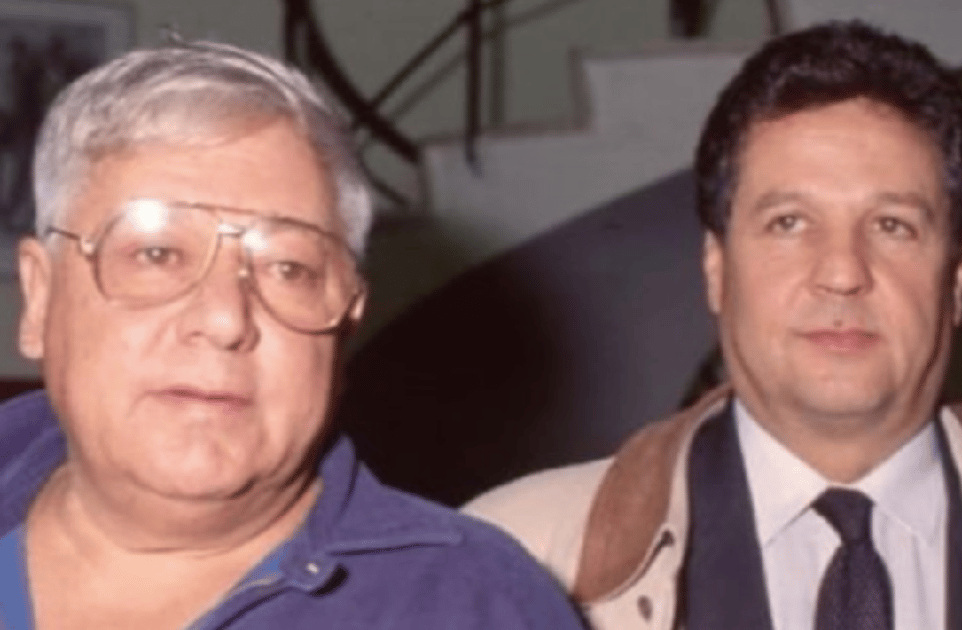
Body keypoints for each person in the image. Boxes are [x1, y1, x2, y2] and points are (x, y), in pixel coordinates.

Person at [0, 40, 587, 630]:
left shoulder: (473, 608)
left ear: (347, 322)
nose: (226, 319)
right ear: (40, 297)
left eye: (289, 268)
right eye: (157, 254)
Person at [467, 21, 962, 630]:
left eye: (892, 226)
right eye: (789, 222)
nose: (842, 273)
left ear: (958, 277)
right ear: (716, 268)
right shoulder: (506, 560)